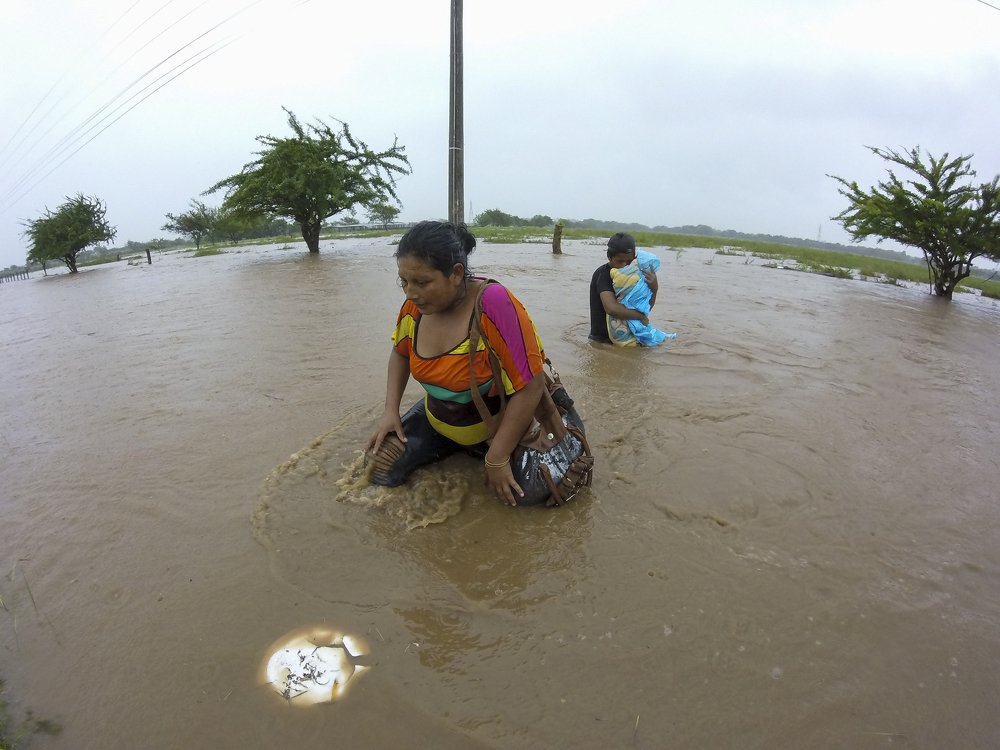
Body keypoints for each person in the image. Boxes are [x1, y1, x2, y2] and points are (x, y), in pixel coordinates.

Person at [366, 221, 587, 507]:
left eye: (421, 282)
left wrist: (497, 458)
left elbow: (530, 386)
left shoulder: (494, 303)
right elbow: (400, 353)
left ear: (456, 274)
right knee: (378, 465)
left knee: (529, 496)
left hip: (498, 427)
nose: (410, 292)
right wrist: (390, 412)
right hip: (441, 420)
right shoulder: (415, 306)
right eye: (404, 282)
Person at [588, 232, 659, 343]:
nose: (625, 265)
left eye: (629, 261)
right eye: (620, 261)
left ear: (635, 257)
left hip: (628, 339)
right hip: (603, 341)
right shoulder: (603, 274)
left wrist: (654, 289)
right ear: (609, 257)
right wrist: (641, 316)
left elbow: (645, 307)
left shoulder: (634, 276)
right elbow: (611, 308)